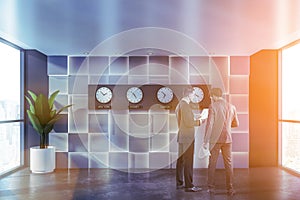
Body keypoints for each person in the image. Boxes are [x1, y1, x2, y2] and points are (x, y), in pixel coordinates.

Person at [203, 88, 239, 196]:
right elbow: (236, 123)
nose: (211, 98)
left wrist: (205, 141)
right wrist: (227, 126)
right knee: (228, 164)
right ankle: (230, 188)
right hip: (228, 139)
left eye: (211, 96)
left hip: (215, 139)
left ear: (214, 96)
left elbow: (210, 125)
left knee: (212, 163)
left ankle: (211, 188)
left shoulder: (213, 106)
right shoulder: (232, 107)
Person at [175, 86, 203, 192]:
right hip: (188, 137)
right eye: (193, 94)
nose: (194, 97)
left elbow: (183, 121)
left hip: (182, 136)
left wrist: (193, 118)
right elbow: (189, 123)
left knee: (181, 161)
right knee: (188, 161)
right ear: (189, 94)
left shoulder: (179, 105)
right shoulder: (185, 105)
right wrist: (199, 121)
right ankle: (189, 186)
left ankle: (179, 183)